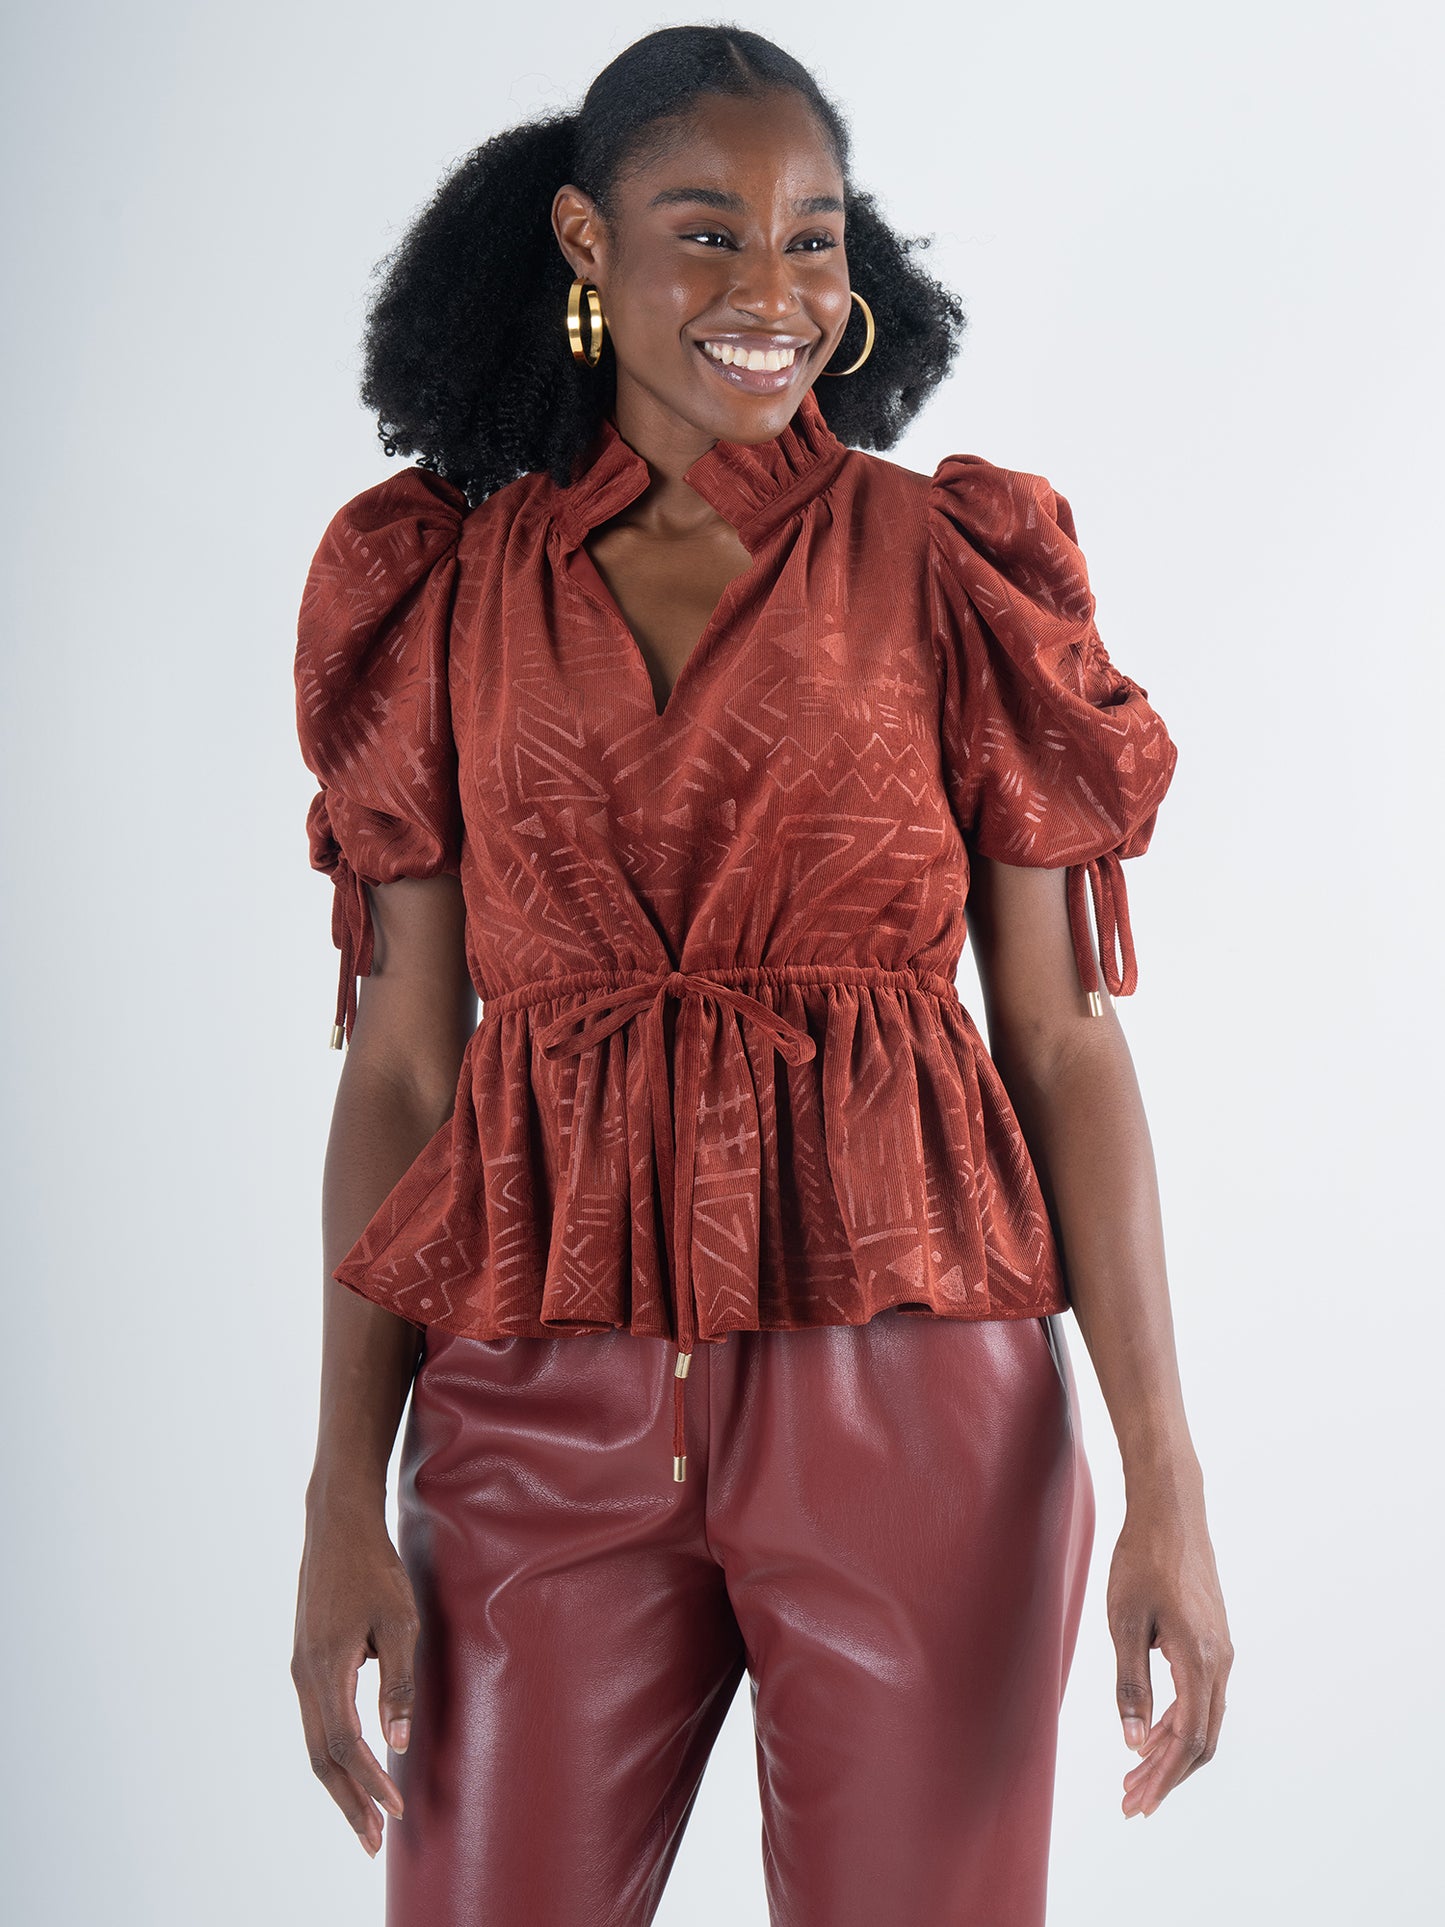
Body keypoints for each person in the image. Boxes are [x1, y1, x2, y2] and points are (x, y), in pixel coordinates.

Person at [289, 23, 1232, 1926]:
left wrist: (1167, 1483)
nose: (771, 293)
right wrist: (336, 1499)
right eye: (706, 233)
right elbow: (403, 1065)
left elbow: (1056, 1032)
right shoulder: (440, 591)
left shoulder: (948, 566)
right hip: (532, 1403)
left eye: (814, 241)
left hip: (916, 1401)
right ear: (581, 241)